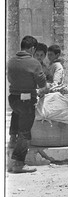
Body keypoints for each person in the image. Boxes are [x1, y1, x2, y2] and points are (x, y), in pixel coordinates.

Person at [7, 35, 48, 173]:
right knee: (25, 133)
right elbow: (42, 83)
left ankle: (12, 138)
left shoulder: (11, 61)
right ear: (31, 48)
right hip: (26, 100)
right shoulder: (34, 63)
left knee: (17, 119)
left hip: (13, 99)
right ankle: (18, 163)